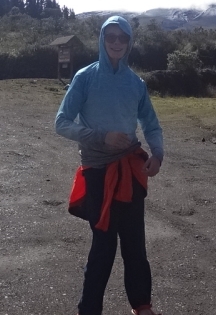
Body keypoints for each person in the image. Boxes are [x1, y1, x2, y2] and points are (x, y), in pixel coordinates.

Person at [55, 16, 164, 315]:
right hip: (98, 172)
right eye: (110, 36)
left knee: (135, 245)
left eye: (122, 38)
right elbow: (61, 123)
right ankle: (89, 310)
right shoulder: (85, 77)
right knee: (103, 248)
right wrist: (101, 137)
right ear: (102, 39)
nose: (116, 42)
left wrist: (158, 154)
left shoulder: (135, 83)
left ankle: (142, 304)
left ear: (129, 43)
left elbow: (151, 124)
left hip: (130, 169)